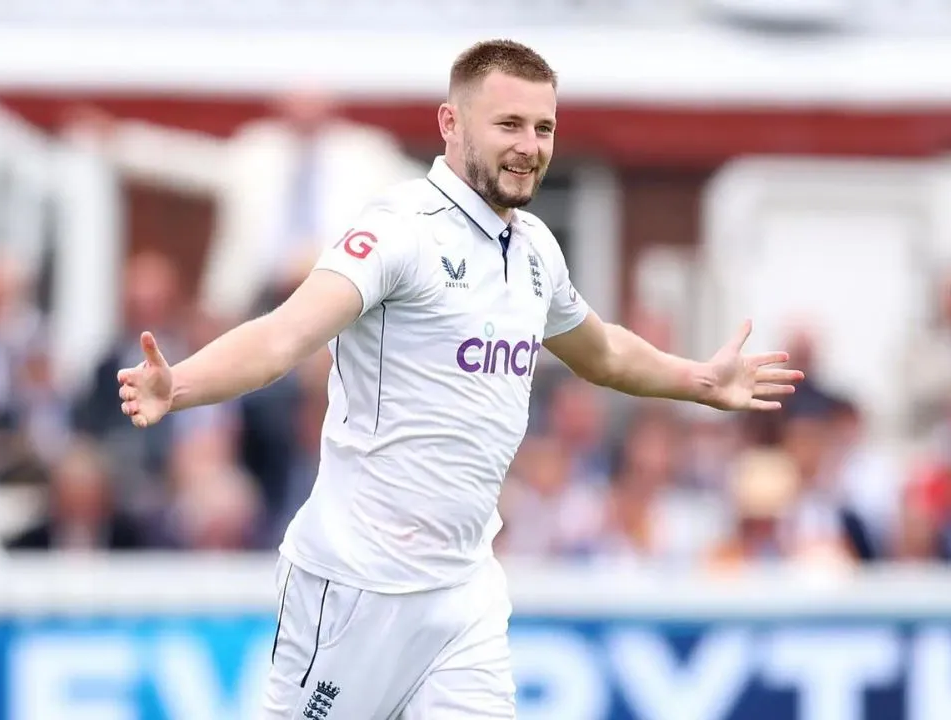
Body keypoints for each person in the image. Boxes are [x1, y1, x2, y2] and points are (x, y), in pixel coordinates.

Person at [116, 39, 803, 720]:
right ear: (451, 124)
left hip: (463, 591)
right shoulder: (399, 229)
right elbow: (285, 334)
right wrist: (179, 385)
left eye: (544, 128)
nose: (529, 145)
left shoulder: (534, 249)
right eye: (508, 124)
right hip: (358, 585)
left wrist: (701, 381)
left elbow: (603, 354)